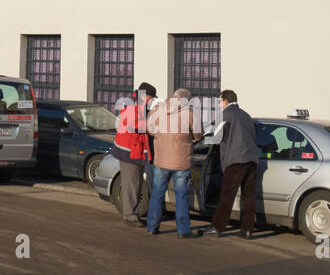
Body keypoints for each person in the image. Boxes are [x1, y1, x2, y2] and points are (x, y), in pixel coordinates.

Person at [146, 89, 206, 237]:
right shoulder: (190, 113)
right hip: (181, 161)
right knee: (181, 196)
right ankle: (183, 231)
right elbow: (199, 135)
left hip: (161, 160)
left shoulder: (157, 109)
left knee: (157, 194)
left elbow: (150, 130)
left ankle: (152, 227)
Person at [206, 89, 259, 239]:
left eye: (219, 101)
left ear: (226, 101)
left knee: (226, 196)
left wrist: (202, 139)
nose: (219, 105)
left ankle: (217, 227)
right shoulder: (246, 115)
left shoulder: (225, 115)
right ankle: (247, 230)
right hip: (252, 160)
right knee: (249, 197)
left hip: (236, 160)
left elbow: (215, 137)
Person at [111, 82, 156, 227]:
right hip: (130, 153)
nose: (151, 100)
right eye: (150, 97)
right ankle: (130, 215)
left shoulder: (134, 109)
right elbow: (140, 128)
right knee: (132, 184)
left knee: (132, 184)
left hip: (130, 152)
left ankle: (131, 213)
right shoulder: (136, 111)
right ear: (144, 96)